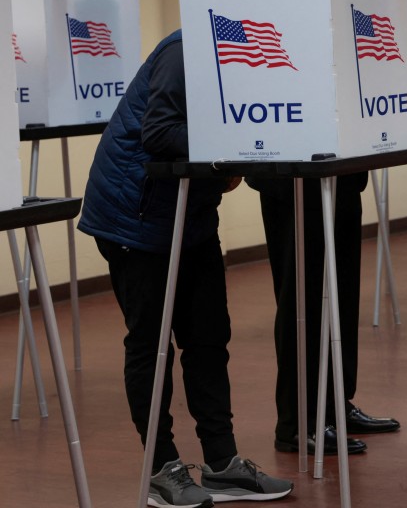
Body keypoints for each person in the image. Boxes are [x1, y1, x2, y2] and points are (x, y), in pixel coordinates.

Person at [78, 37, 293, 504]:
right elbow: (159, 133)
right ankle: (162, 468)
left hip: (189, 215)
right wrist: (238, 141)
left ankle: (222, 463)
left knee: (209, 337)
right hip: (134, 216)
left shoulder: (260, 59)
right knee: (151, 345)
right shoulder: (187, 49)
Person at [246, 0, 407, 455]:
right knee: (302, 299)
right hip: (294, 176)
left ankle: (335, 403)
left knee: (341, 291)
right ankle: (297, 423)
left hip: (345, 168)